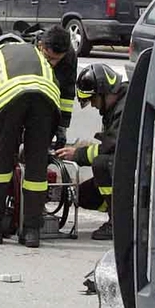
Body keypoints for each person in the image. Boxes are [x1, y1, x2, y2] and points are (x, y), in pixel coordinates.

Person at [0, 26, 69, 248]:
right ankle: (32, 231)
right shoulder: (37, 54)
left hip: (8, 98)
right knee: (36, 168)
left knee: (0, 165)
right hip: (46, 100)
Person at [55, 64, 130, 241]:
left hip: (139, 170)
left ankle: (120, 222)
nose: (94, 106)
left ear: (104, 92)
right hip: (129, 169)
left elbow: (113, 148)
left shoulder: (126, 108)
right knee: (84, 196)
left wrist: (78, 154)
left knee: (102, 164)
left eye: (94, 100)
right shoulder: (118, 104)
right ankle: (122, 210)